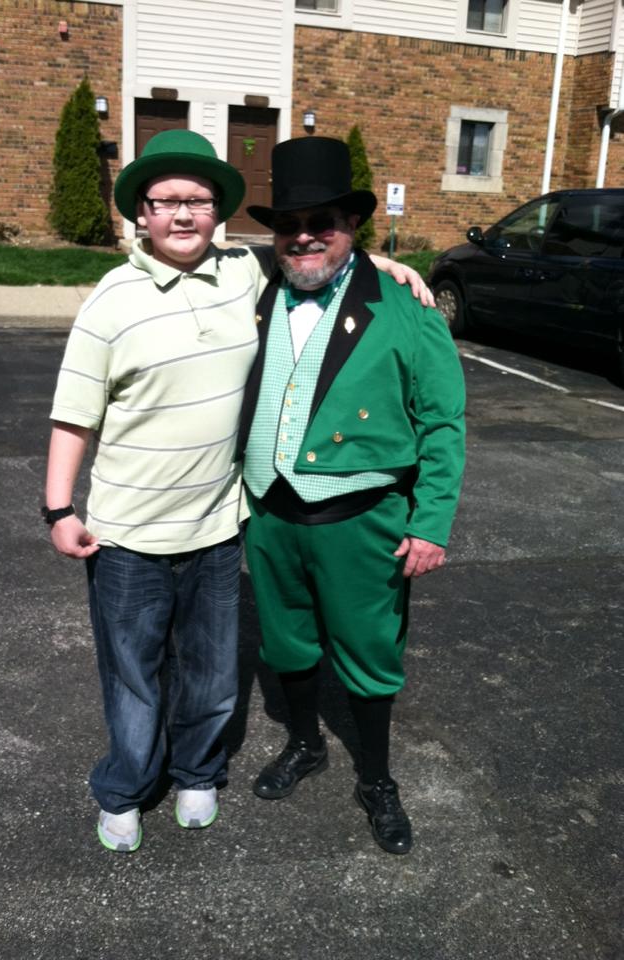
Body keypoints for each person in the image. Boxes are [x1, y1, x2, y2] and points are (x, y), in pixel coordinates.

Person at [43, 129, 433, 854]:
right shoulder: (128, 297)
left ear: (218, 212)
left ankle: (226, 772)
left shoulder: (248, 276)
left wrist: (377, 263)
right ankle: (131, 786)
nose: (182, 214)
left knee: (222, 671)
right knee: (141, 673)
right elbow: (74, 413)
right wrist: (59, 507)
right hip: (143, 528)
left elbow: (320, 261)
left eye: (197, 201)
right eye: (166, 201)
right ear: (142, 212)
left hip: (228, 525)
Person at [237, 136, 466, 856]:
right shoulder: (256, 291)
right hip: (268, 512)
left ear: (352, 226)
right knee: (286, 642)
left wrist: (430, 523)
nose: (304, 236)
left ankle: (376, 779)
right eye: (289, 225)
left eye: (322, 223)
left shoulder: (405, 308)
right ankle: (306, 744)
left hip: (362, 520)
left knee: (369, 655)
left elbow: (443, 422)